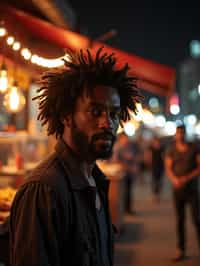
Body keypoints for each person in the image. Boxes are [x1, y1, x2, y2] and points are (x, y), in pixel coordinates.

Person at [9, 47, 141, 266]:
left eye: (114, 114)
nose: (107, 123)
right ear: (66, 116)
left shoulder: (96, 180)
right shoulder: (44, 189)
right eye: (95, 111)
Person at [165, 124, 200, 262]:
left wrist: (187, 178)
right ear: (176, 134)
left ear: (185, 134)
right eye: (178, 133)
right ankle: (181, 250)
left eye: (182, 133)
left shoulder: (194, 148)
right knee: (180, 221)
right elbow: (168, 167)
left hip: (192, 190)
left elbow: (199, 167)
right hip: (177, 190)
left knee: (197, 220)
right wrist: (174, 179)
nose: (180, 135)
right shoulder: (171, 149)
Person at [114, 133, 139, 214]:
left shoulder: (130, 147)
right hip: (122, 173)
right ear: (121, 138)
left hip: (129, 173)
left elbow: (135, 157)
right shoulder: (118, 148)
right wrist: (128, 167)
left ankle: (128, 209)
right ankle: (125, 210)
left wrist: (134, 166)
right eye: (125, 138)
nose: (126, 140)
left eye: (127, 138)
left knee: (128, 192)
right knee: (123, 193)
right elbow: (116, 161)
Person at [148, 135, 164, 203]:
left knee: (159, 181)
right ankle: (155, 195)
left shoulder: (162, 148)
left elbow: (164, 157)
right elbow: (149, 156)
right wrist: (148, 164)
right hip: (153, 167)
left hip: (160, 166)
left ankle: (157, 195)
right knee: (154, 181)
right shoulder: (151, 148)